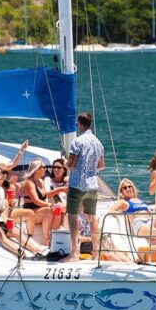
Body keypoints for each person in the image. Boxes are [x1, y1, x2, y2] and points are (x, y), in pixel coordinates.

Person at [0, 164, 47, 257]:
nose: (0, 171)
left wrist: (5, 220)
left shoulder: (0, 190)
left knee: (15, 231)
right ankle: (20, 253)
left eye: (1, 169)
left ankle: (37, 250)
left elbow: (2, 209)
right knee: (0, 234)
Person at [63, 112, 104, 262]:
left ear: (79, 124)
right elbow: (101, 165)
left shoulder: (77, 142)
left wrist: (65, 163)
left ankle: (74, 253)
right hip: (93, 185)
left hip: (77, 184)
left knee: (72, 217)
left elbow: (71, 164)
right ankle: (95, 253)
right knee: (92, 219)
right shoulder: (98, 143)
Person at [10, 159, 53, 245]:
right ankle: (47, 240)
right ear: (36, 169)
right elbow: (36, 201)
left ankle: (56, 238)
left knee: (57, 212)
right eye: (43, 167)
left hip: (38, 210)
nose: (45, 169)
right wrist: (49, 205)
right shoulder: (29, 182)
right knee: (48, 210)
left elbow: (45, 197)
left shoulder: (41, 181)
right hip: (30, 212)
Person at [44, 158, 69, 232]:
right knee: (59, 211)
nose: (56, 169)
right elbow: (46, 195)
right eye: (54, 167)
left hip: (66, 208)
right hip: (55, 207)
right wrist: (60, 189)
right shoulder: (48, 180)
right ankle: (55, 238)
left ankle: (61, 238)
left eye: (59, 167)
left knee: (65, 216)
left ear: (64, 170)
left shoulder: (68, 181)